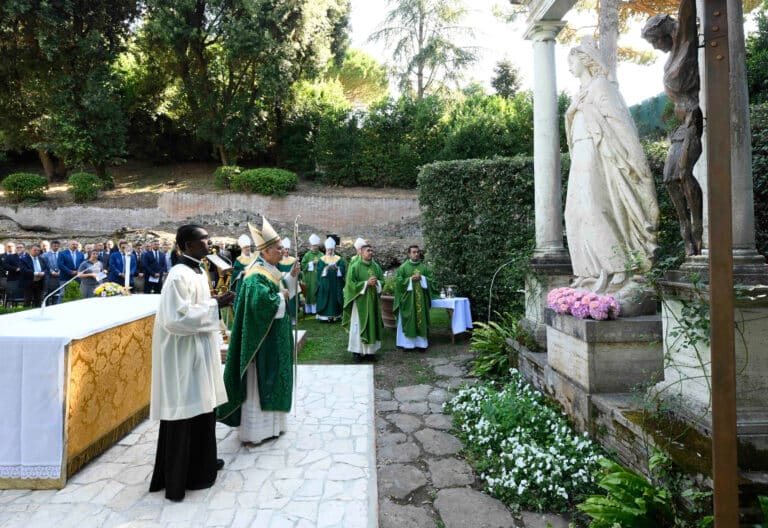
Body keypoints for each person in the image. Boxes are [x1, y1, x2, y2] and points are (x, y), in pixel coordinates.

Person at [564, 39, 659, 294]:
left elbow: (620, 124)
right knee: (574, 214)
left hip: (599, 153)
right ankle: (589, 273)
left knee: (595, 209)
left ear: (585, 59)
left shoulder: (601, 86)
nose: (569, 67)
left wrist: (632, 159)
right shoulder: (580, 93)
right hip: (581, 154)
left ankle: (619, 268)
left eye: (571, 60)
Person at [149, 224, 235, 502]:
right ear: (187, 246)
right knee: (187, 410)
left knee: (204, 407)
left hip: (199, 348)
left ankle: (204, 462)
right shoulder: (177, 276)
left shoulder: (198, 269)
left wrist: (213, 301)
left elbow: (197, 305)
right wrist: (216, 305)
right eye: (203, 241)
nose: (209, 244)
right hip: (183, 354)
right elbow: (176, 318)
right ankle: (184, 475)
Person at [217, 217, 295, 444]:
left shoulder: (270, 268)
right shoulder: (255, 274)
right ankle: (257, 431)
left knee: (275, 378)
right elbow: (258, 304)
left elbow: (280, 290)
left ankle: (274, 425)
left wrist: (290, 281)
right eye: (279, 248)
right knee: (262, 380)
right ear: (267, 250)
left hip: (274, 335)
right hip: (262, 341)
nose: (283, 251)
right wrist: (280, 297)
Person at [642, 0, 703, 256]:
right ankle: (685, 232)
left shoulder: (686, 45)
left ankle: (698, 231)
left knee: (682, 173)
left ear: (665, 32)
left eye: (654, 41)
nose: (655, 47)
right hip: (680, 126)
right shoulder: (674, 55)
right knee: (669, 178)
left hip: (692, 118)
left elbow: (687, 16)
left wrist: (680, 23)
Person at [343, 243, 384, 362]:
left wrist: (377, 283)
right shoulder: (354, 266)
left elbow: (382, 280)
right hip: (360, 302)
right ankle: (356, 352)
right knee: (358, 325)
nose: (371, 252)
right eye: (368, 251)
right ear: (361, 252)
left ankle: (370, 353)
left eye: (371, 250)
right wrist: (366, 283)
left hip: (373, 302)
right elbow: (350, 285)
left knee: (372, 324)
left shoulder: (376, 266)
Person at [394, 245, 435, 351]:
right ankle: (408, 345)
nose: (416, 254)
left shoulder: (424, 268)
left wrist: (423, 278)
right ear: (409, 254)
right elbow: (399, 282)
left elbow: (432, 280)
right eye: (413, 252)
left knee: (421, 319)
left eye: (417, 252)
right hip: (408, 300)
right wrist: (410, 279)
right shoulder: (403, 267)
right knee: (409, 320)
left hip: (421, 300)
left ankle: (421, 345)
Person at [315, 237, 345, 322]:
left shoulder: (339, 259)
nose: (330, 251)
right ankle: (324, 316)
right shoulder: (322, 260)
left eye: (331, 250)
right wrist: (326, 269)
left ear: (334, 249)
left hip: (336, 284)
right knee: (326, 298)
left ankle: (336, 315)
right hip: (325, 284)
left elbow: (343, 269)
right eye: (328, 250)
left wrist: (337, 269)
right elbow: (319, 271)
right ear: (326, 249)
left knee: (335, 298)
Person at [277, 237, 301, 325]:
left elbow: (298, 272)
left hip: (292, 283)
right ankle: (285, 316)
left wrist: (297, 271)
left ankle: (293, 317)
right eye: (285, 249)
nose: (286, 251)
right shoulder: (278, 260)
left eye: (287, 249)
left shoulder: (293, 260)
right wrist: (284, 274)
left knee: (293, 300)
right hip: (282, 283)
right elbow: (276, 271)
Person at [300, 234, 323, 316]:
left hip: (318, 278)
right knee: (310, 293)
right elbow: (303, 265)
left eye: (316, 245)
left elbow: (324, 264)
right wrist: (312, 263)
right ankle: (309, 310)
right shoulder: (307, 255)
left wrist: (319, 263)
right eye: (314, 246)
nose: (315, 247)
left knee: (318, 292)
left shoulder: (321, 255)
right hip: (309, 278)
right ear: (311, 246)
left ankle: (317, 309)